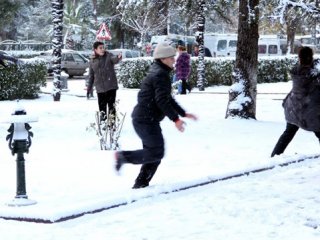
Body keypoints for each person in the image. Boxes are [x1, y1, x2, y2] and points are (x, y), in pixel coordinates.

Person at [115, 42, 198, 189]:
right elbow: (162, 101)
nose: (174, 60)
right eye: (171, 57)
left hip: (145, 118)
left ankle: (141, 184)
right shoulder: (160, 75)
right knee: (156, 152)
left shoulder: (159, 71)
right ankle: (123, 157)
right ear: (163, 58)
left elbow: (167, 98)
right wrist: (176, 119)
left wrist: (183, 113)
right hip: (146, 119)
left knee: (154, 154)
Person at [271, 46, 320, 157]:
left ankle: (274, 156)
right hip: (311, 113)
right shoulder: (315, 75)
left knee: (288, 133)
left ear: (299, 58)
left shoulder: (297, 72)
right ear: (311, 57)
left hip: (293, 109)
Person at [87, 41, 122, 120]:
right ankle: (103, 127)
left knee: (111, 108)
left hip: (111, 87)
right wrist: (89, 88)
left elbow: (114, 59)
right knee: (102, 109)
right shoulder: (92, 61)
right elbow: (91, 76)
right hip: (100, 88)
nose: (103, 49)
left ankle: (112, 127)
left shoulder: (109, 56)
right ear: (95, 50)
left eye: (103, 48)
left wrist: (118, 57)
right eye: (100, 48)